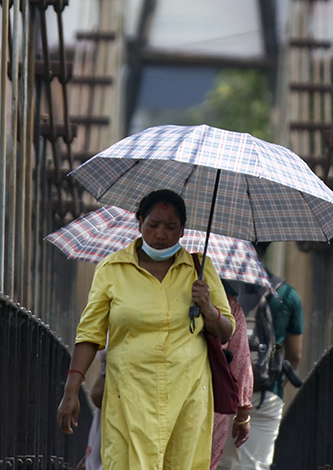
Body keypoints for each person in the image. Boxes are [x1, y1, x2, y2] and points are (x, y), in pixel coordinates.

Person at [57, 189, 235, 470]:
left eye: (171, 227)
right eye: (153, 224)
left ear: (183, 231)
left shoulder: (199, 269)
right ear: (139, 223)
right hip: (128, 394)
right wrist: (71, 390)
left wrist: (209, 308)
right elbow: (89, 335)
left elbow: (226, 331)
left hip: (187, 393)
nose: (161, 234)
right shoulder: (112, 269)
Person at [218, 246, 303, 470]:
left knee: (220, 464)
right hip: (267, 392)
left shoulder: (218, 287)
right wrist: (274, 384)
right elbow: (295, 354)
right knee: (255, 466)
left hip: (223, 391)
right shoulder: (287, 294)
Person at [211, 289, 253, 470]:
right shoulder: (230, 305)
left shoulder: (159, 298)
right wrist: (242, 415)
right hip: (212, 403)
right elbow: (240, 363)